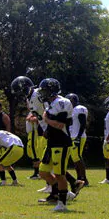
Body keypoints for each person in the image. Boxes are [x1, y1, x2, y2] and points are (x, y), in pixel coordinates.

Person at [38, 78, 80, 211]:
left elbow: (59, 124)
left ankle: (62, 203)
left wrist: (45, 119)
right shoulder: (51, 104)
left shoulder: (62, 102)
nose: (42, 93)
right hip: (52, 142)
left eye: (44, 91)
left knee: (60, 174)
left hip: (61, 142)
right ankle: (64, 193)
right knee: (43, 171)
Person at [66, 93, 89, 188]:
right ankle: (79, 177)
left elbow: (83, 123)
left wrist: (79, 136)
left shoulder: (80, 108)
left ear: (73, 100)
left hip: (78, 136)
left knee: (78, 156)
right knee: (75, 158)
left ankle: (84, 178)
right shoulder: (72, 110)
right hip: (73, 136)